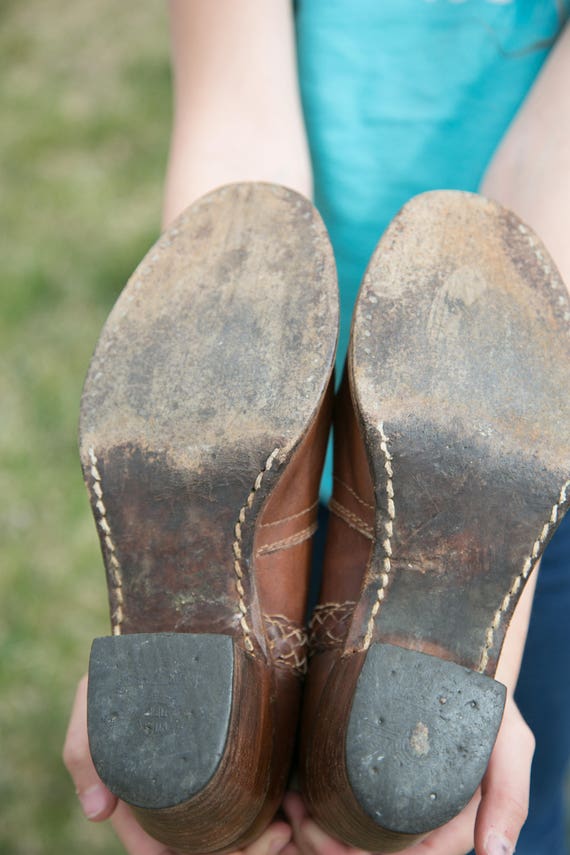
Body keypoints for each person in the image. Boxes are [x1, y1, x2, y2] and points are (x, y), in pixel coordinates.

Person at [64, 3, 570, 854]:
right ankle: (395, 789)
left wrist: (160, 730)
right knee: (462, 789)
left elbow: (240, 165)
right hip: (511, 441)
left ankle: (216, 768)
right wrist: (473, 680)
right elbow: (528, 229)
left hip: (300, 456)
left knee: (230, 727)